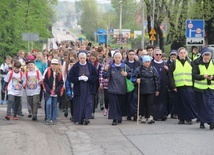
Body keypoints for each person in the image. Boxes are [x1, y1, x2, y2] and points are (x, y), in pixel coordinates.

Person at [66, 51, 98, 125]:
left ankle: (87, 117)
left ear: (86, 58)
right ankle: (80, 118)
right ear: (78, 58)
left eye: (84, 58)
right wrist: (78, 78)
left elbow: (95, 76)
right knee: (80, 103)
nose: (83, 60)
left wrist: (88, 78)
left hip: (88, 88)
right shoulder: (75, 67)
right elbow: (70, 78)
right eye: (81, 58)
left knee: (88, 103)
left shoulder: (90, 66)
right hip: (79, 89)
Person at [168, 47, 198, 124]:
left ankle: (189, 118)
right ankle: (181, 118)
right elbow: (170, 76)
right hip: (178, 86)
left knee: (189, 102)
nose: (182, 54)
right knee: (179, 103)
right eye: (181, 53)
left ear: (186, 54)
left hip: (188, 86)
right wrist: (173, 86)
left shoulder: (190, 62)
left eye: (184, 53)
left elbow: (194, 74)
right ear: (178, 54)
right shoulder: (174, 63)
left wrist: (194, 85)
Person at [102, 52, 131, 125]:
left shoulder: (125, 66)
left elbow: (131, 75)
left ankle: (119, 117)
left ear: (121, 58)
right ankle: (114, 119)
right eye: (116, 57)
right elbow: (105, 76)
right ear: (114, 58)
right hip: (113, 88)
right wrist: (105, 70)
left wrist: (127, 74)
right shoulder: (111, 67)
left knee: (120, 104)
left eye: (119, 58)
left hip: (122, 88)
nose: (117, 59)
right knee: (113, 105)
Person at [193, 47, 214, 129]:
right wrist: (203, 76)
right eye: (205, 55)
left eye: (208, 55)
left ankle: (211, 122)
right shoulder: (197, 63)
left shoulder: (213, 63)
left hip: (210, 88)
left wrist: (212, 77)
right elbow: (194, 75)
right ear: (202, 56)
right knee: (201, 106)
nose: (207, 57)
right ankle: (202, 121)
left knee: (210, 105)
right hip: (200, 89)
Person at [134, 55, 159, 124]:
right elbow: (132, 77)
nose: (147, 63)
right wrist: (136, 80)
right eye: (146, 62)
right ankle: (143, 116)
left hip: (151, 89)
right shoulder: (139, 69)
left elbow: (157, 79)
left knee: (150, 103)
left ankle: (150, 116)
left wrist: (157, 89)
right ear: (143, 62)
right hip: (142, 90)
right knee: (142, 103)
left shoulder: (153, 69)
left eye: (148, 62)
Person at [43, 58, 64, 125]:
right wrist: (49, 90)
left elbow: (61, 83)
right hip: (49, 92)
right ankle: (48, 118)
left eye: (55, 64)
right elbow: (45, 82)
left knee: (54, 105)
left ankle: (54, 118)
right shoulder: (48, 72)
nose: (54, 65)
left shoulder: (59, 73)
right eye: (52, 64)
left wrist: (56, 90)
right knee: (48, 104)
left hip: (55, 92)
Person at [151, 48, 168, 121]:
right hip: (153, 85)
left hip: (163, 85)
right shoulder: (151, 64)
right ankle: (155, 115)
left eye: (160, 54)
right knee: (155, 100)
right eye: (157, 54)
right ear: (154, 55)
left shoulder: (164, 63)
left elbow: (169, 74)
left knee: (162, 100)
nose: (158, 56)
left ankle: (162, 114)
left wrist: (168, 70)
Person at [124, 49, 140, 121]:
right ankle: (128, 114)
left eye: (133, 54)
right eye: (130, 54)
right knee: (128, 99)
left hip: (135, 84)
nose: (131, 56)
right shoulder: (125, 63)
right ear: (127, 55)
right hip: (127, 83)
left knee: (135, 99)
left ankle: (135, 114)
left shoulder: (138, 63)